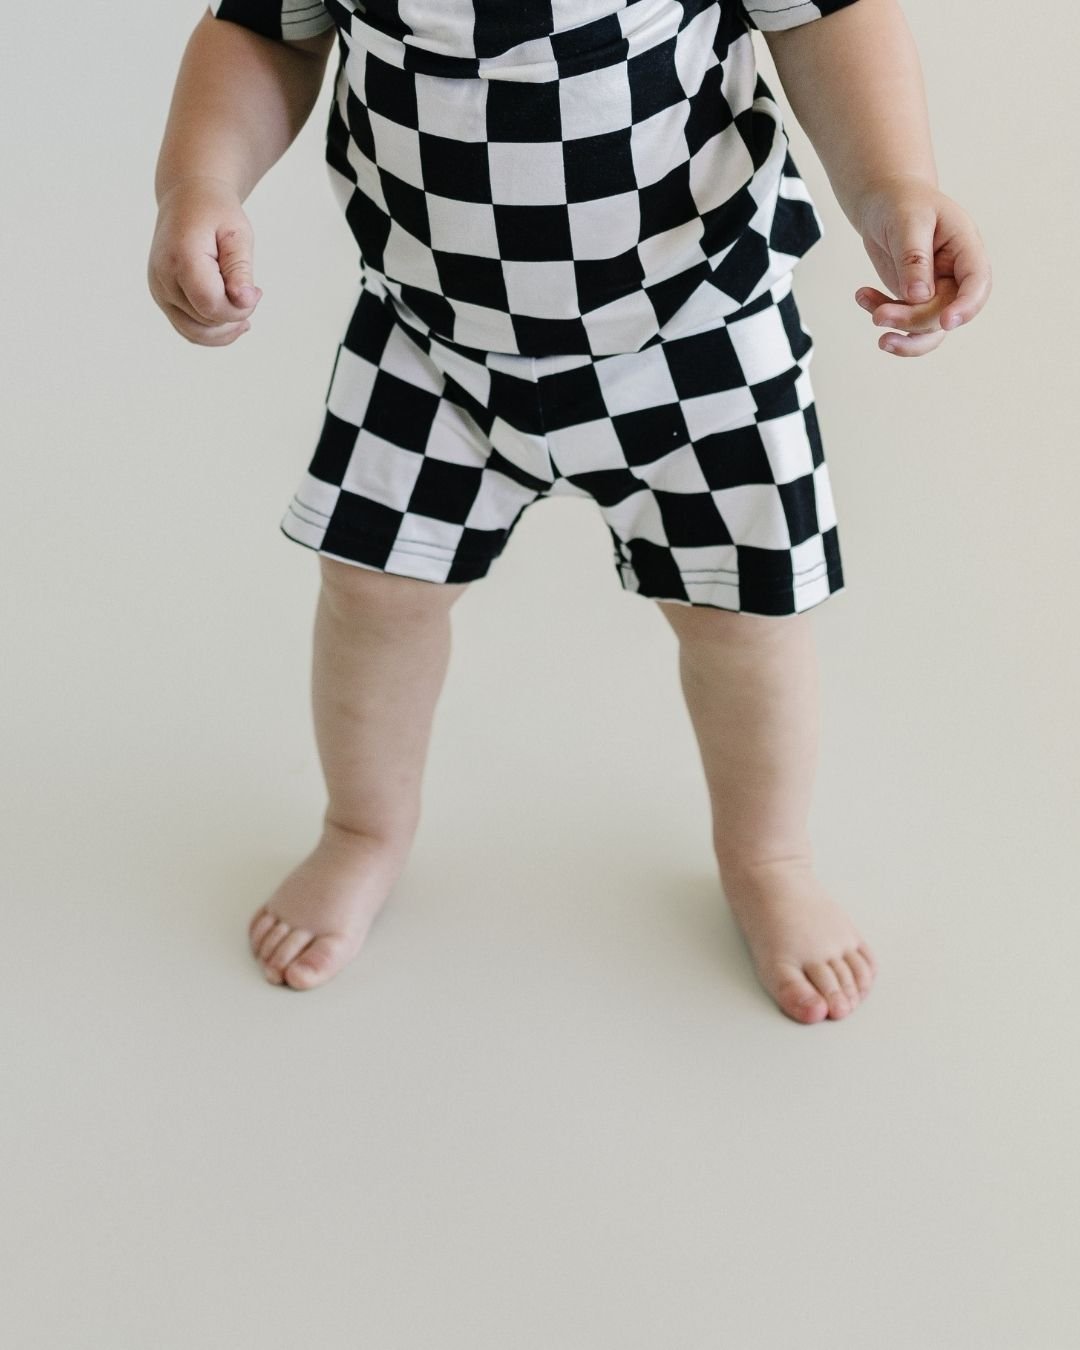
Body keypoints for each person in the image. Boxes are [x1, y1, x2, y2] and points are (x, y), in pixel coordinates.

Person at [147, 0, 991, 1021]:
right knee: (372, 592)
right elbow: (263, 35)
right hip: (433, 335)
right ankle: (362, 828)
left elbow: (826, 19)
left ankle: (769, 854)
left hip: (697, 325)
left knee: (748, 617)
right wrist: (199, 183)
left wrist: (890, 183)